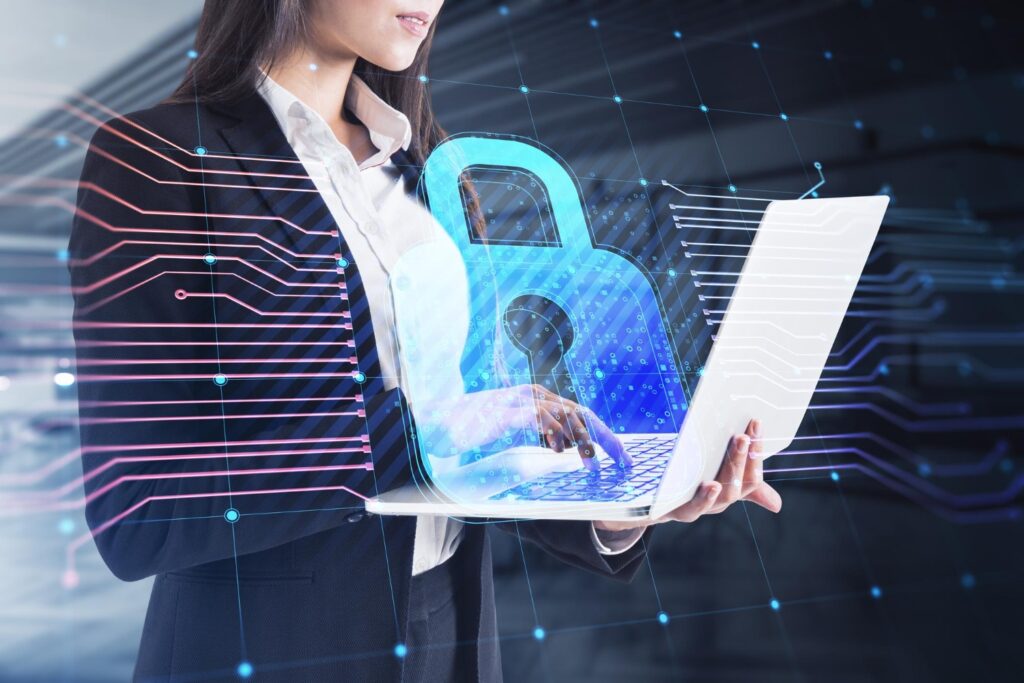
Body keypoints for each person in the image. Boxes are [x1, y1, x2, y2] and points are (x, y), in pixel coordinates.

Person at [68, 1, 782, 680]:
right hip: (272, 644)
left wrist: (615, 506)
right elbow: (138, 508)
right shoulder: (158, 161)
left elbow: (480, 433)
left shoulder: (426, 171)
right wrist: (426, 429)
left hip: (455, 633)